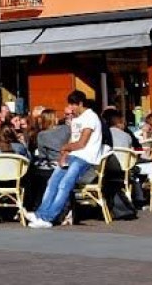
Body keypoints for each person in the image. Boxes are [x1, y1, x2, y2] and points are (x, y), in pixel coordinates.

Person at [26, 91, 103, 228]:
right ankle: (40, 214)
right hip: (73, 155)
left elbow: (81, 143)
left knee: (64, 185)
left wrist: (65, 148)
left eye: (73, 105)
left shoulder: (91, 117)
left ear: (80, 104)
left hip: (85, 158)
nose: (71, 108)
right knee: (52, 182)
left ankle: (48, 217)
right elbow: (72, 140)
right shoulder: (76, 119)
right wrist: (63, 156)